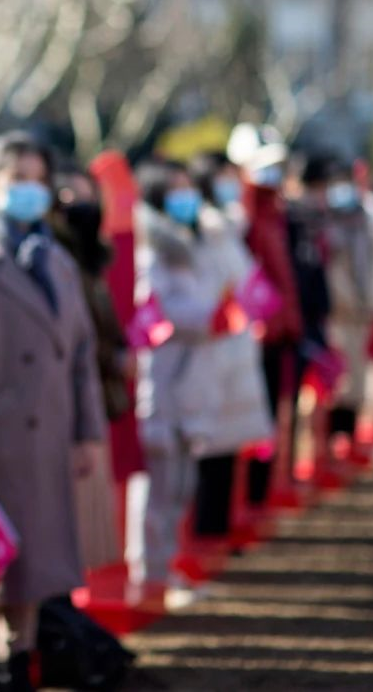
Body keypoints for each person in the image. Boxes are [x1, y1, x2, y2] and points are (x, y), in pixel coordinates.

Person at [0, 132, 107, 692]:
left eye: (39, 180)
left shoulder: (54, 258)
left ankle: (20, 665)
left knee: (34, 564)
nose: (31, 191)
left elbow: (80, 352)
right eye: (19, 180)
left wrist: (87, 430)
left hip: (47, 434)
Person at [127, 161, 224, 599]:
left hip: (190, 382)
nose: (188, 198)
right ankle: (148, 574)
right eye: (176, 190)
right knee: (158, 488)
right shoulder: (151, 249)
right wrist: (209, 316)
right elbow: (156, 308)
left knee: (180, 485)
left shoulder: (187, 241)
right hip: (162, 383)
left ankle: (165, 569)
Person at [185, 152, 273, 538]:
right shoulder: (206, 228)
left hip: (235, 344)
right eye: (225, 177)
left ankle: (221, 528)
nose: (233, 185)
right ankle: (206, 532)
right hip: (214, 348)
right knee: (212, 445)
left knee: (229, 444)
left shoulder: (230, 226)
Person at [49, 166, 129, 572]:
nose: (80, 206)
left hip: (93, 393)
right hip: (62, 399)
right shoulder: (56, 258)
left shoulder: (92, 260)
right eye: (68, 195)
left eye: (87, 196)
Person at [230, 125, 304, 506]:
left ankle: (260, 497)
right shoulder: (238, 215)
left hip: (277, 331)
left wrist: (288, 319)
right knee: (246, 419)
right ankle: (243, 501)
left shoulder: (276, 213)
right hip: (249, 334)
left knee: (272, 412)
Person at [322, 163, 373, 443]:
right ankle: (331, 442)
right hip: (338, 316)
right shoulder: (326, 224)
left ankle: (350, 440)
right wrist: (346, 300)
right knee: (337, 383)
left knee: (360, 381)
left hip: (363, 314)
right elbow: (330, 271)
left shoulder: (367, 221)